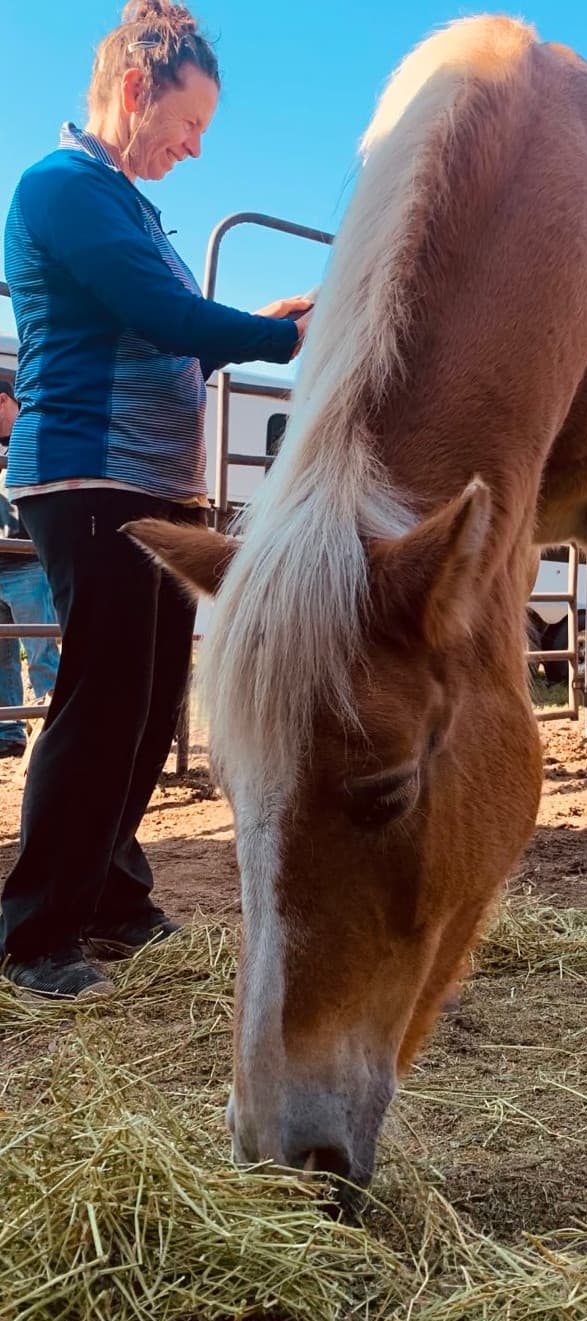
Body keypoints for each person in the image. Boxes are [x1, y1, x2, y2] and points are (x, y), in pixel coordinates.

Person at [0, 0, 313, 999]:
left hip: (151, 487)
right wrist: (285, 340)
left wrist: (259, 324)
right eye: (190, 122)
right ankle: (37, 931)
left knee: (143, 707)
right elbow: (159, 314)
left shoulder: (126, 206)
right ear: (137, 89)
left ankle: (111, 894)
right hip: (92, 478)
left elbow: (170, 327)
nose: (196, 145)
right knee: (100, 706)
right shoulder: (62, 188)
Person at [0, 379, 60, 760]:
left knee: (40, 650)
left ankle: (52, 728)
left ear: (3, 399)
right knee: (3, 654)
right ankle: (11, 730)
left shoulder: (34, 432)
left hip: (27, 561)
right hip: (3, 558)